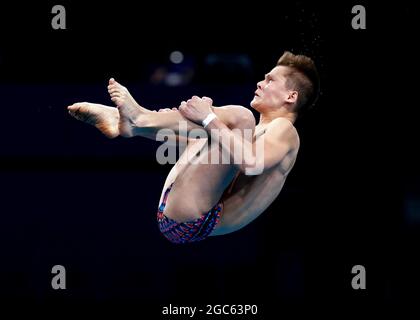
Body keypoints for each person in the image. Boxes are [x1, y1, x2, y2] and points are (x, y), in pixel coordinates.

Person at [67, 51, 320, 244]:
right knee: (221, 131)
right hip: (181, 213)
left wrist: (207, 118)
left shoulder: (285, 131)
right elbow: (205, 148)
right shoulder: (254, 134)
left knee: (240, 117)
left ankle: (139, 119)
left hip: (198, 218)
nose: (261, 82)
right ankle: (136, 124)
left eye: (270, 79)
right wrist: (175, 125)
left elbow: (251, 163)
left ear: (291, 97)